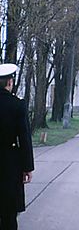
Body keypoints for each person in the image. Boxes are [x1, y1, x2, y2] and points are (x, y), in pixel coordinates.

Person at [0, 63, 34, 230]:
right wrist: (27, 167)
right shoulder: (17, 104)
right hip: (10, 162)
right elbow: (24, 137)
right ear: (9, 82)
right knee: (8, 211)